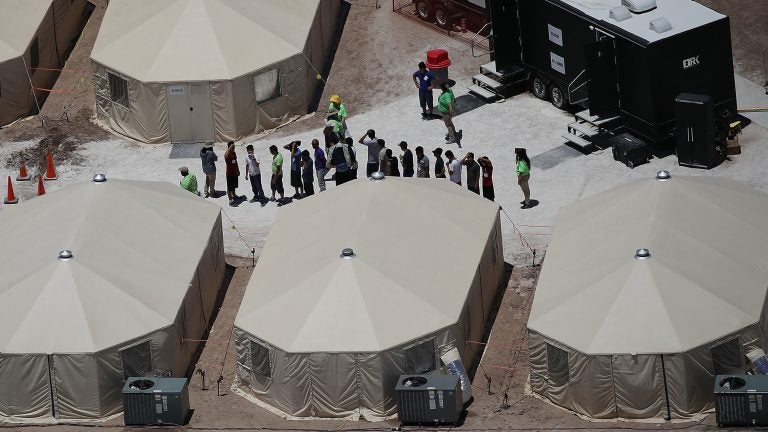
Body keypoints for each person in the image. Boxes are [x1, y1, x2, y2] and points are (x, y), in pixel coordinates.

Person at [438, 82, 461, 147]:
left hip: (446, 112)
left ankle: (452, 138)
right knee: (450, 123)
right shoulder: (449, 90)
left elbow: (449, 103)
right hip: (447, 112)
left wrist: (451, 111)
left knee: (448, 125)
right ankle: (454, 133)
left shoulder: (446, 95)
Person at [224, 141, 242, 206]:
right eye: (232, 146)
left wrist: (238, 170)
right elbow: (225, 156)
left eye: (234, 146)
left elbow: (235, 162)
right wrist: (229, 149)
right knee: (229, 187)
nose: (234, 148)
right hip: (229, 173)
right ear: (229, 147)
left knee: (234, 186)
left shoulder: (233, 153)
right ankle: (230, 200)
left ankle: (234, 196)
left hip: (234, 173)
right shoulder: (227, 154)